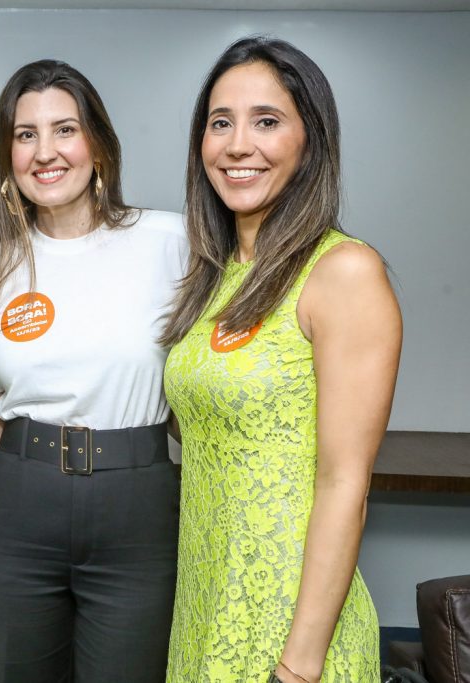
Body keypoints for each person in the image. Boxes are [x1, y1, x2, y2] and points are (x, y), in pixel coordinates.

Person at [161, 37, 402, 683]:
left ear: (310, 140)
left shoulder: (343, 271)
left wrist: (298, 665)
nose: (239, 144)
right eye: (221, 122)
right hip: (205, 604)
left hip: (292, 629)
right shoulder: (215, 276)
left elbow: (344, 485)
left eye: (267, 120)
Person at [0, 59, 188, 683]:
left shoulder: (171, 242)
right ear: (8, 154)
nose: (45, 151)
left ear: (99, 144)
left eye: (65, 129)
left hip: (137, 505)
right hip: (17, 506)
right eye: (25, 134)